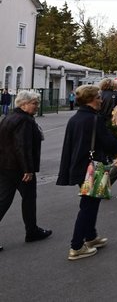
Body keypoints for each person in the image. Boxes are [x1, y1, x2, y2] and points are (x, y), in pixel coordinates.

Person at [57, 84, 117, 261]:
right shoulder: (95, 119)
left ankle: (91, 237)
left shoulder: (75, 119)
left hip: (79, 165)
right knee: (88, 206)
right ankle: (76, 246)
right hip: (93, 166)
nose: (101, 100)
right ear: (92, 99)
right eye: (99, 97)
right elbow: (108, 142)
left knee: (91, 202)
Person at [0, 90, 52, 251]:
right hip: (19, 168)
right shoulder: (24, 121)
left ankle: (32, 230)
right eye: (34, 103)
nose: (37, 106)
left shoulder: (8, 117)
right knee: (28, 199)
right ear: (23, 104)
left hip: (5, 166)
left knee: (3, 200)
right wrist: (28, 169)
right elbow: (22, 146)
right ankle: (32, 231)